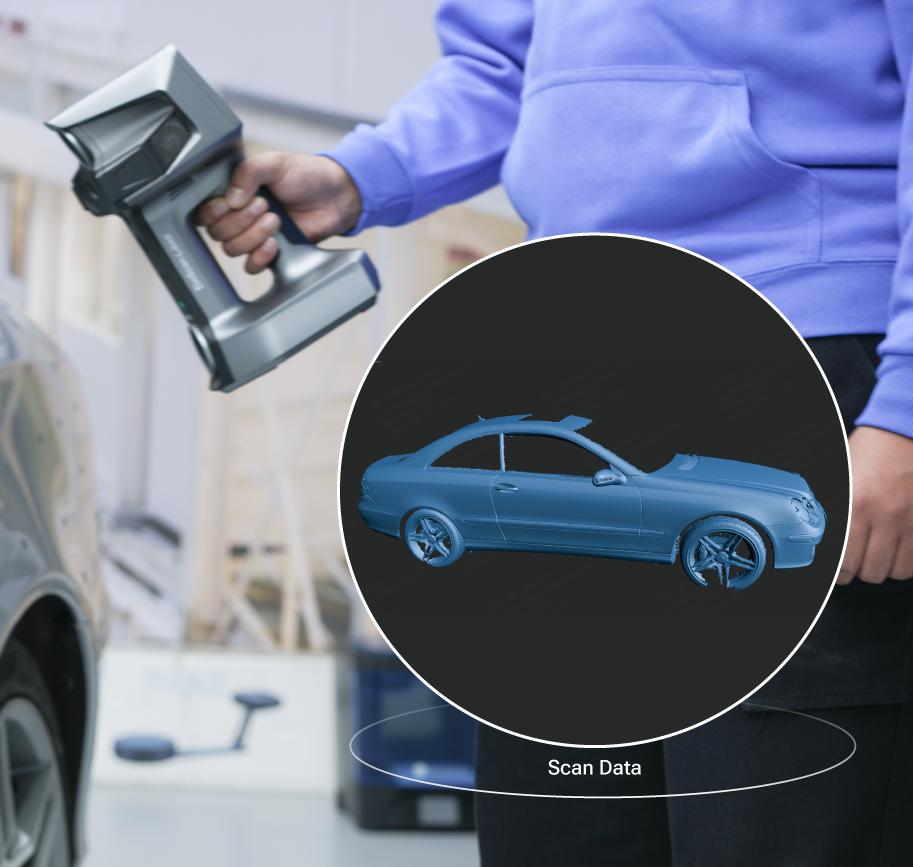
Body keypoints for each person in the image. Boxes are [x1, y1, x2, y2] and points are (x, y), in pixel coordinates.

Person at [198, 1, 913, 863]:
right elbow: (504, 60)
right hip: (576, 353)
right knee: (557, 828)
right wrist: (360, 174)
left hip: (800, 337)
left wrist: (904, 412)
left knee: (763, 826)